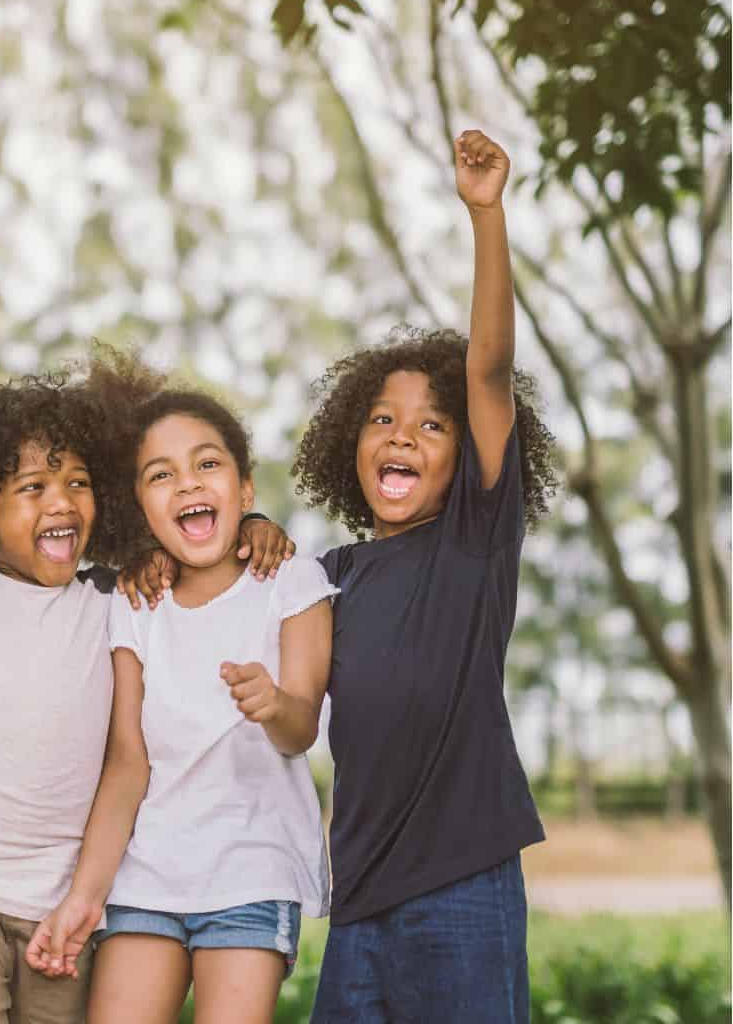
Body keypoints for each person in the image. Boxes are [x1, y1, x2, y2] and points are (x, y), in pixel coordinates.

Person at [0, 238, 295, 1024]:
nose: (61, 500)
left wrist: (253, 525)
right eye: (32, 487)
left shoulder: (116, 594)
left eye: (78, 483)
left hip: (66, 903)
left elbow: (190, 525)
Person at [293, 131, 558, 1024]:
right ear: (348, 444)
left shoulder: (473, 545)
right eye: (381, 418)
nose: (402, 435)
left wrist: (486, 217)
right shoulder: (325, 578)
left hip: (463, 892)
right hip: (358, 902)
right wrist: (251, 529)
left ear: (463, 457)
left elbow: (486, 367)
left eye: (431, 426)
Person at [24, 388, 337, 1024]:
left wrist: (273, 704)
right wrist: (84, 899)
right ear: (140, 507)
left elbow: (300, 728)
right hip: (147, 877)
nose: (186, 483)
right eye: (160, 475)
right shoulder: (134, 605)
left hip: (253, 873)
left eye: (207, 464)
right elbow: (127, 764)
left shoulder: (291, 582)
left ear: (246, 491)